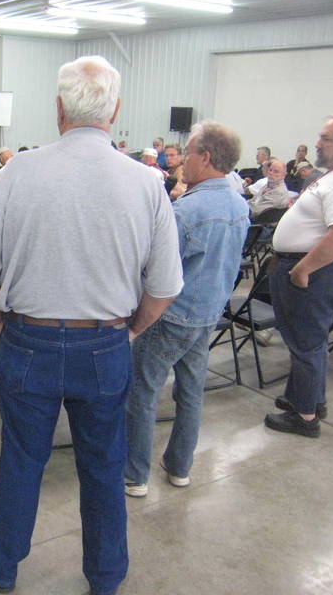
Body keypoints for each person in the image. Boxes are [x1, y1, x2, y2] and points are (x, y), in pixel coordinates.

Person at [0, 55, 183, 595]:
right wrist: (128, 333)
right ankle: (106, 575)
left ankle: (5, 563)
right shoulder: (147, 182)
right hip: (105, 342)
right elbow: (164, 288)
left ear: (58, 108)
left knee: (21, 460)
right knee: (104, 466)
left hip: (28, 338)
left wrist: (0, 325)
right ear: (117, 110)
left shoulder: (18, 170)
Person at [125, 121, 249, 498]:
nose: (180, 161)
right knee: (191, 392)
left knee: (143, 393)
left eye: (188, 153)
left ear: (205, 157)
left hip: (172, 316)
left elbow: (155, 268)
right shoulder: (239, 204)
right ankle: (180, 466)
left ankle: (135, 475)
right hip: (208, 313)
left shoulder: (187, 212)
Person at [265, 114, 333, 437]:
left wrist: (302, 269)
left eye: (326, 138)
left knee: (307, 342)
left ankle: (305, 416)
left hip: (315, 269)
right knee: (308, 339)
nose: (317, 143)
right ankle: (308, 397)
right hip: (317, 267)